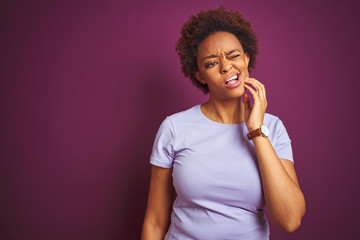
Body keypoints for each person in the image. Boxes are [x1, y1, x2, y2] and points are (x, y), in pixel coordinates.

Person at [142, 6, 305, 240]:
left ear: (247, 58)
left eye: (234, 55)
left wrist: (257, 131)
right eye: (211, 63)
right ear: (200, 75)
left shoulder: (273, 128)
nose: (226, 66)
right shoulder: (174, 128)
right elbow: (155, 221)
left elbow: (289, 220)